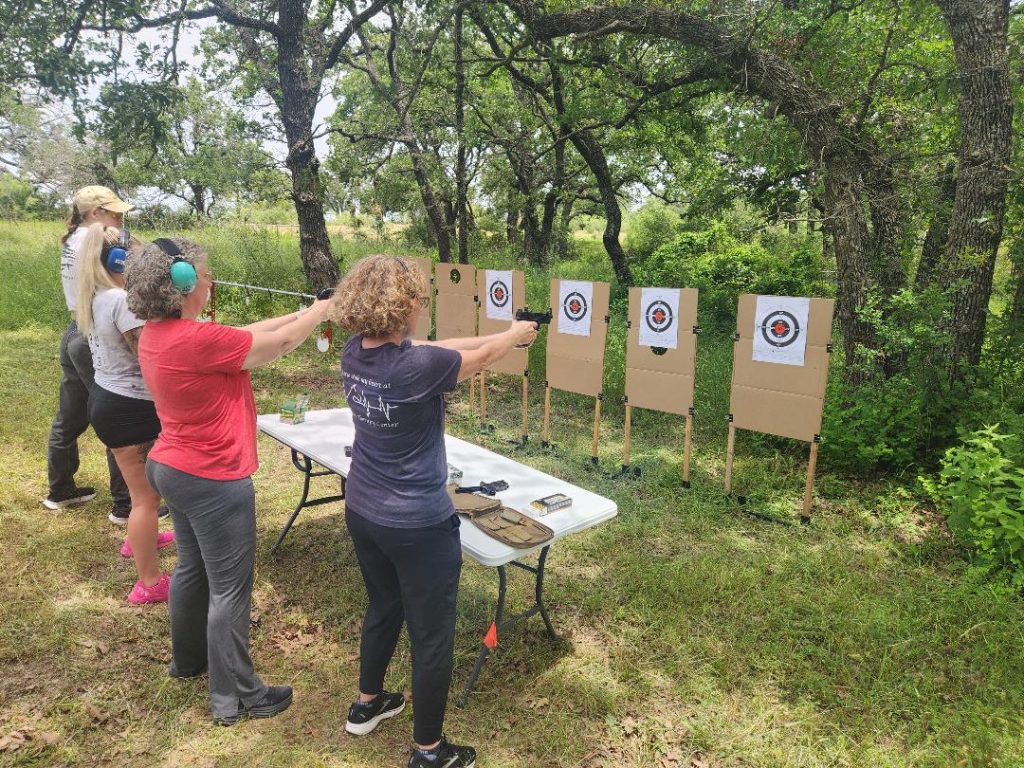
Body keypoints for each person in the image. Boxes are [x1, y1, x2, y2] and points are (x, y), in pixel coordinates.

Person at [327, 255, 538, 768]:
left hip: (363, 508)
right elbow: (478, 357)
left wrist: (506, 335)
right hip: (417, 522)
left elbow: (442, 348)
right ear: (404, 306)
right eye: (417, 299)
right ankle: (428, 751)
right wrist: (513, 336)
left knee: (383, 606)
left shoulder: (356, 350)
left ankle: (368, 704)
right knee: (431, 637)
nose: (421, 306)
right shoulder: (416, 367)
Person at [125, 236, 331, 725]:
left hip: (172, 468)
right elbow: (278, 345)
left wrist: (306, 310)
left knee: (193, 569)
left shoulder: (160, 332)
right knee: (230, 590)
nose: (210, 280)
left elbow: (247, 333)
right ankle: (237, 696)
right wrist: (322, 314)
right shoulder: (197, 341)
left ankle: (188, 660)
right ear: (183, 283)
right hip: (213, 478)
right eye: (204, 273)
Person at [73, 224, 176, 605]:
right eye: (135, 257)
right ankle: (149, 583)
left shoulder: (99, 295)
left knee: (140, 494)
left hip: (111, 401)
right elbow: (150, 353)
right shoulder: (120, 300)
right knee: (146, 499)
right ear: (118, 261)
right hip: (130, 407)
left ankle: (140, 539)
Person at [45, 186, 134, 522]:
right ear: (95, 213)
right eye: (114, 213)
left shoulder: (72, 238)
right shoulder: (94, 240)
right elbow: (127, 266)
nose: (120, 218)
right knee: (116, 412)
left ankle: (61, 489)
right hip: (95, 334)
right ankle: (127, 504)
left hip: (74, 329)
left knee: (69, 416)